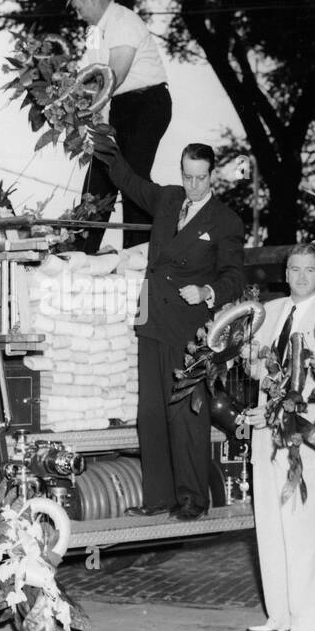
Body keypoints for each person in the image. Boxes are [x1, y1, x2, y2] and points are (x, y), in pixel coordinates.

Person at [103, 142, 243, 520]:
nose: (193, 185)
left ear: (212, 174)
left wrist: (207, 291)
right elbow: (129, 181)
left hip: (190, 330)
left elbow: (234, 276)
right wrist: (105, 145)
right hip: (151, 320)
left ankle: (193, 499)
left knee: (185, 415)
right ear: (180, 171)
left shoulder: (225, 220)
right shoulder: (166, 199)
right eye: (187, 176)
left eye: (201, 178)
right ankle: (158, 498)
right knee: (150, 413)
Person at [240, 245, 315, 631]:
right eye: (294, 269)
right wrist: (249, 359)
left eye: (309, 270)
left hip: (305, 428)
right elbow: (255, 365)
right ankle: (278, 614)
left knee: (302, 523)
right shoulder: (272, 311)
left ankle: (309, 622)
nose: (300, 277)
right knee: (271, 519)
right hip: (266, 426)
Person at [65, 0, 171, 253]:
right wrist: (69, 101)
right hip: (118, 107)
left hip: (146, 104)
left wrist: (83, 104)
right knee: (99, 175)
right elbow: (90, 79)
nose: (78, 15)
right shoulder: (93, 32)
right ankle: (80, 253)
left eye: (78, 8)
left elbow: (113, 76)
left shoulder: (124, 21)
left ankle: (139, 254)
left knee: (132, 175)